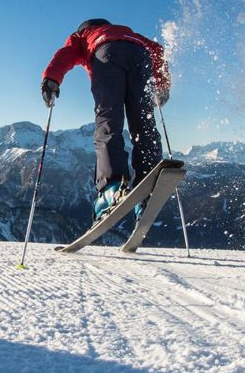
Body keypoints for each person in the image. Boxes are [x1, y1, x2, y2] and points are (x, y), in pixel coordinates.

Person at [41, 18, 170, 222]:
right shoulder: (129, 32)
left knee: (109, 119)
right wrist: (162, 84)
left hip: (106, 55)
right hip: (140, 56)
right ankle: (148, 181)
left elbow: (65, 54)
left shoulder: (83, 36)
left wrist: (51, 79)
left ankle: (111, 187)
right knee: (143, 120)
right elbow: (157, 50)